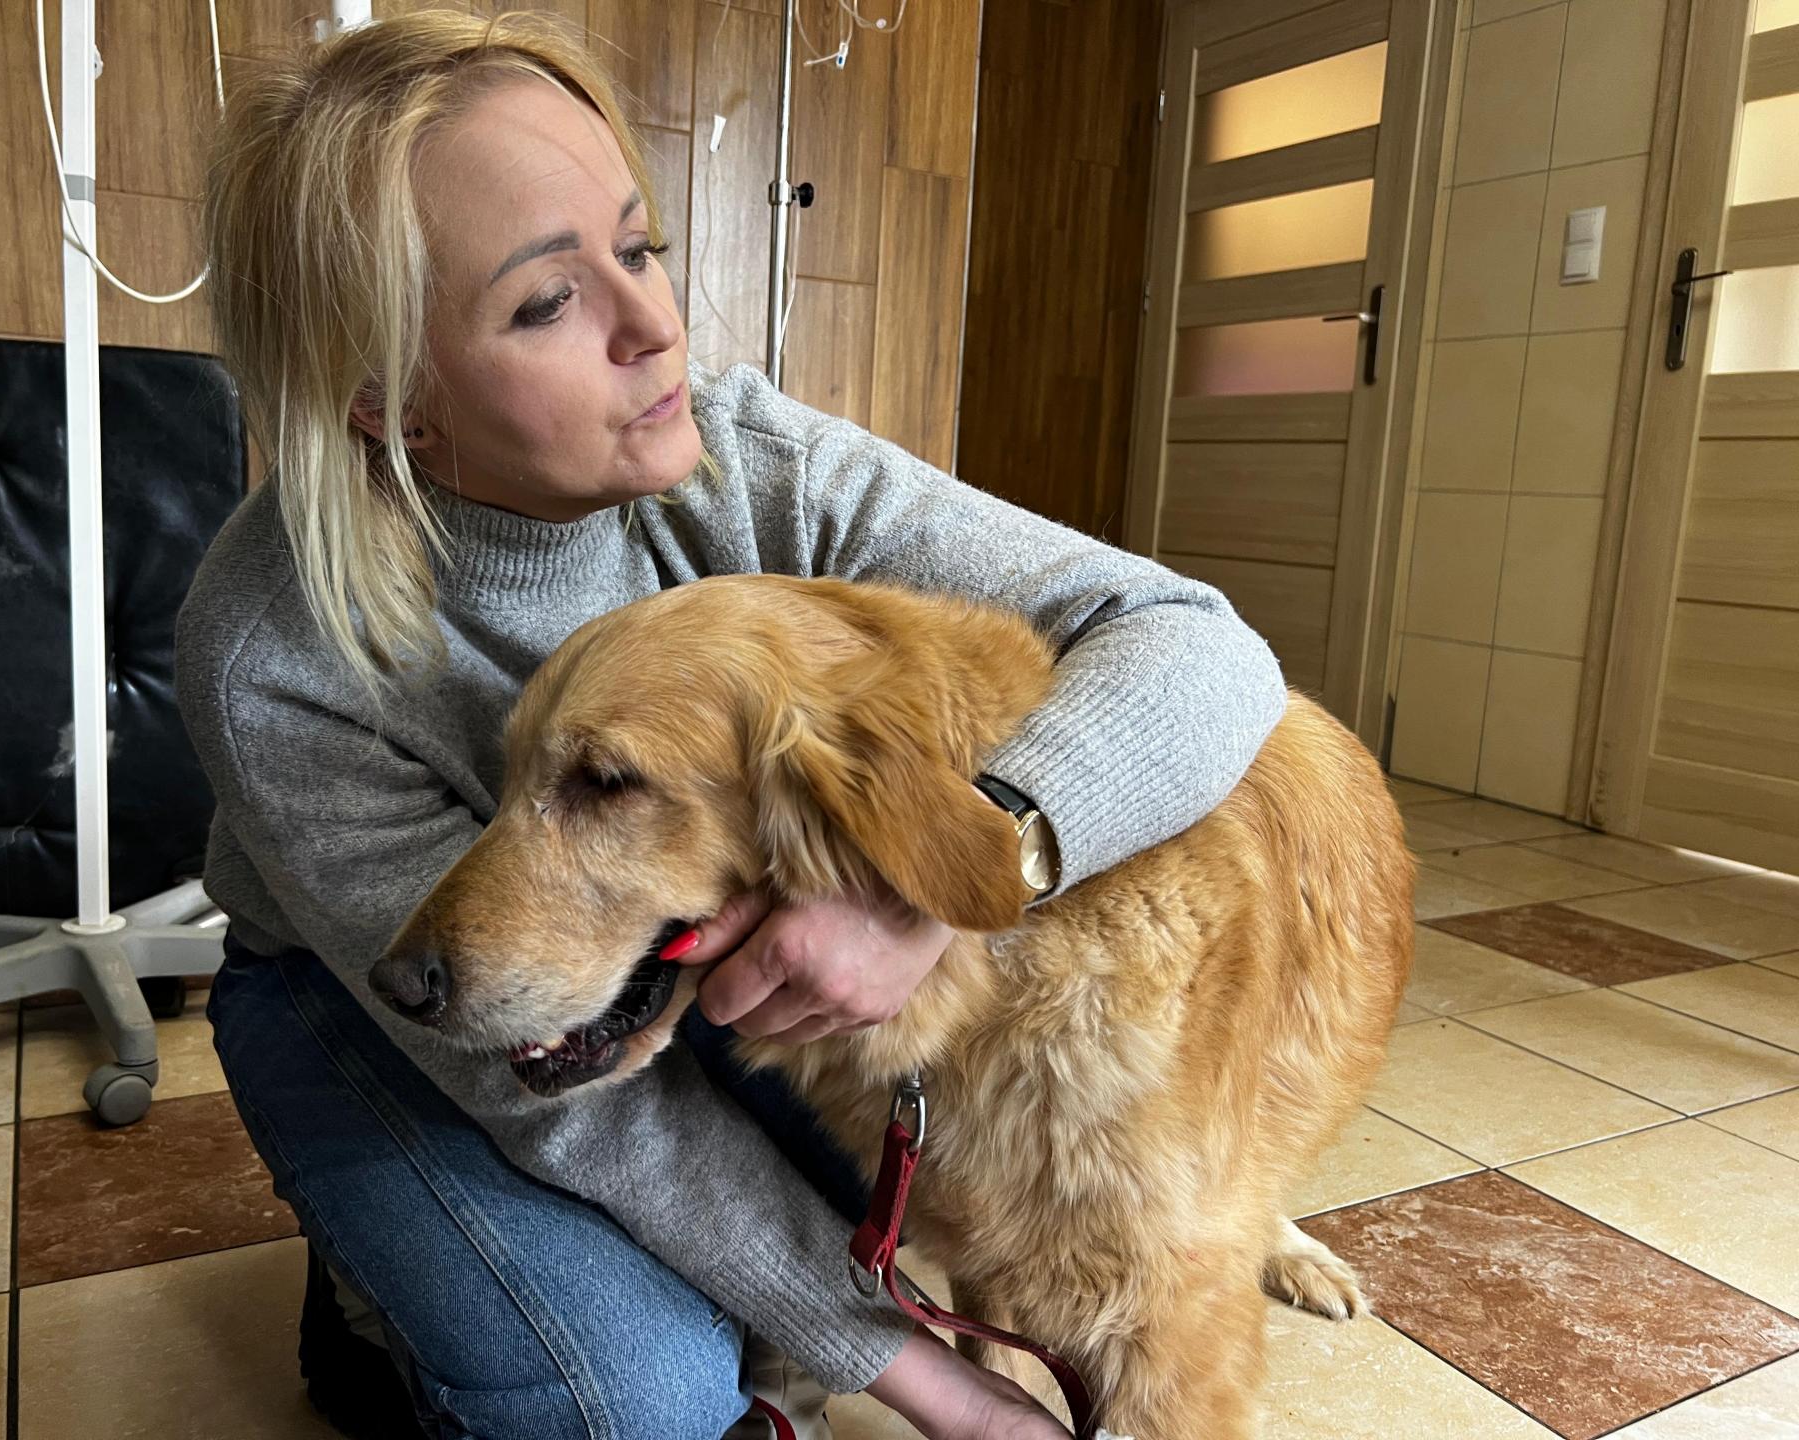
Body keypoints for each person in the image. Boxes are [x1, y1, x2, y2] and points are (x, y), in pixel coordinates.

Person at [176, 10, 1287, 1440]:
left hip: (662, 957)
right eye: (545, 303)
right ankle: (379, 1289)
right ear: (386, 400)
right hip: (369, 992)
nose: (654, 328)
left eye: (638, 248)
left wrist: (949, 876)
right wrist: (949, 1397)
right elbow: (567, 1103)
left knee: (919, 1220)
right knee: (628, 1405)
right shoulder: (271, 647)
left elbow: (1198, 644)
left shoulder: (745, 458)